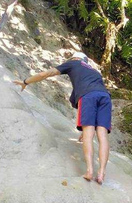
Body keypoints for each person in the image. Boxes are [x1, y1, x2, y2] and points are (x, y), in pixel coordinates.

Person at [14, 52, 112, 184]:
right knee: (103, 135)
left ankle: (89, 171)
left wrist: (25, 81)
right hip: (105, 97)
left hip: (88, 96)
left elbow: (45, 74)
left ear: (74, 58)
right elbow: (86, 94)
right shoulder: (94, 72)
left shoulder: (73, 63)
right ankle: (101, 173)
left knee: (89, 134)